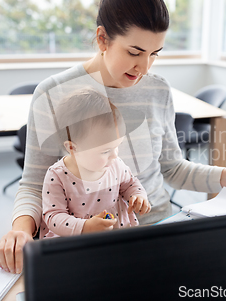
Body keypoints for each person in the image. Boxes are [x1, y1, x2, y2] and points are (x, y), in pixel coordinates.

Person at [0, 0, 226, 274]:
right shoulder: (53, 94)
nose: (144, 68)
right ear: (103, 39)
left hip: (154, 230)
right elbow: (33, 183)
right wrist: (22, 230)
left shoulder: (158, 90)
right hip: (82, 241)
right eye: (134, 52)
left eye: (154, 54)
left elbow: (173, 169)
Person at [40, 87, 150, 239]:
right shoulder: (57, 176)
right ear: (72, 148)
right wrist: (85, 227)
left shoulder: (115, 164)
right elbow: (53, 217)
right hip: (76, 244)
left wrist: (138, 195)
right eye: (105, 151)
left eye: (116, 147)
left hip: (119, 237)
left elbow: (130, 184)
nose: (114, 155)